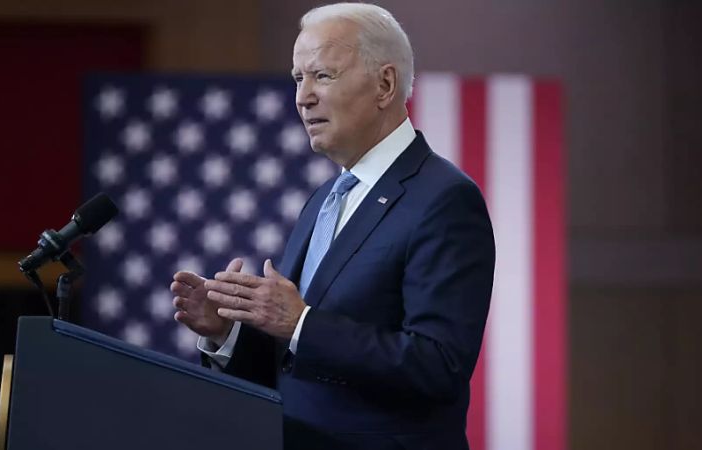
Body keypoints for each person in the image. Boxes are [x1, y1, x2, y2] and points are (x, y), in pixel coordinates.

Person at [170, 3, 495, 449]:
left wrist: (300, 322)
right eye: (297, 79)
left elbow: (438, 366)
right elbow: (295, 366)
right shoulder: (324, 200)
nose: (303, 96)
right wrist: (229, 334)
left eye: (322, 76)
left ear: (385, 84)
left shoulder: (444, 199)